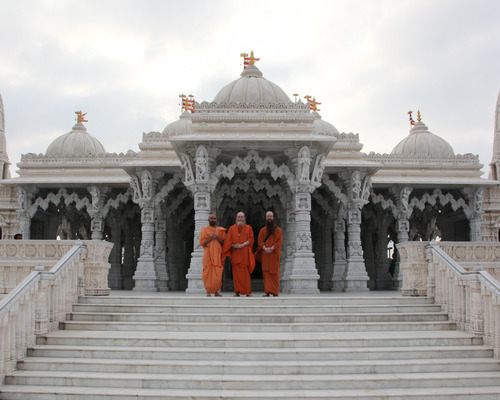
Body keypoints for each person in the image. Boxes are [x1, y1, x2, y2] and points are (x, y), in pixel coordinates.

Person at [222, 211, 255, 297]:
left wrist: (243, 244)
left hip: (245, 255)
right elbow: (228, 241)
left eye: (242, 217)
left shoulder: (248, 228)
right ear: (236, 218)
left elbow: (251, 239)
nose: (240, 218)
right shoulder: (231, 228)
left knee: (246, 275)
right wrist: (233, 245)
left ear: (244, 218)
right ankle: (237, 291)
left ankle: (247, 292)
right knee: (236, 274)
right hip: (236, 254)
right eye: (239, 217)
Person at [256, 211, 283, 297]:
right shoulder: (262, 230)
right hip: (266, 254)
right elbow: (259, 241)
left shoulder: (279, 230)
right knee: (266, 273)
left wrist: (272, 248)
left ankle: (275, 292)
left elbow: (280, 241)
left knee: (275, 273)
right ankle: (267, 292)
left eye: (270, 216)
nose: (269, 218)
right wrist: (265, 248)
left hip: (274, 254)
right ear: (265, 218)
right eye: (268, 217)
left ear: (273, 217)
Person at [200, 214, 226, 297]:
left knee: (217, 273)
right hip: (208, 255)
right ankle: (208, 291)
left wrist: (217, 237)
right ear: (208, 219)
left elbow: (224, 243)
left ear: (216, 220)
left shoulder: (220, 230)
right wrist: (211, 238)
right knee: (207, 272)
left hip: (217, 255)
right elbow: (202, 243)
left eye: (214, 218)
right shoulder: (204, 230)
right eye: (211, 218)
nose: (213, 219)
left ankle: (216, 292)